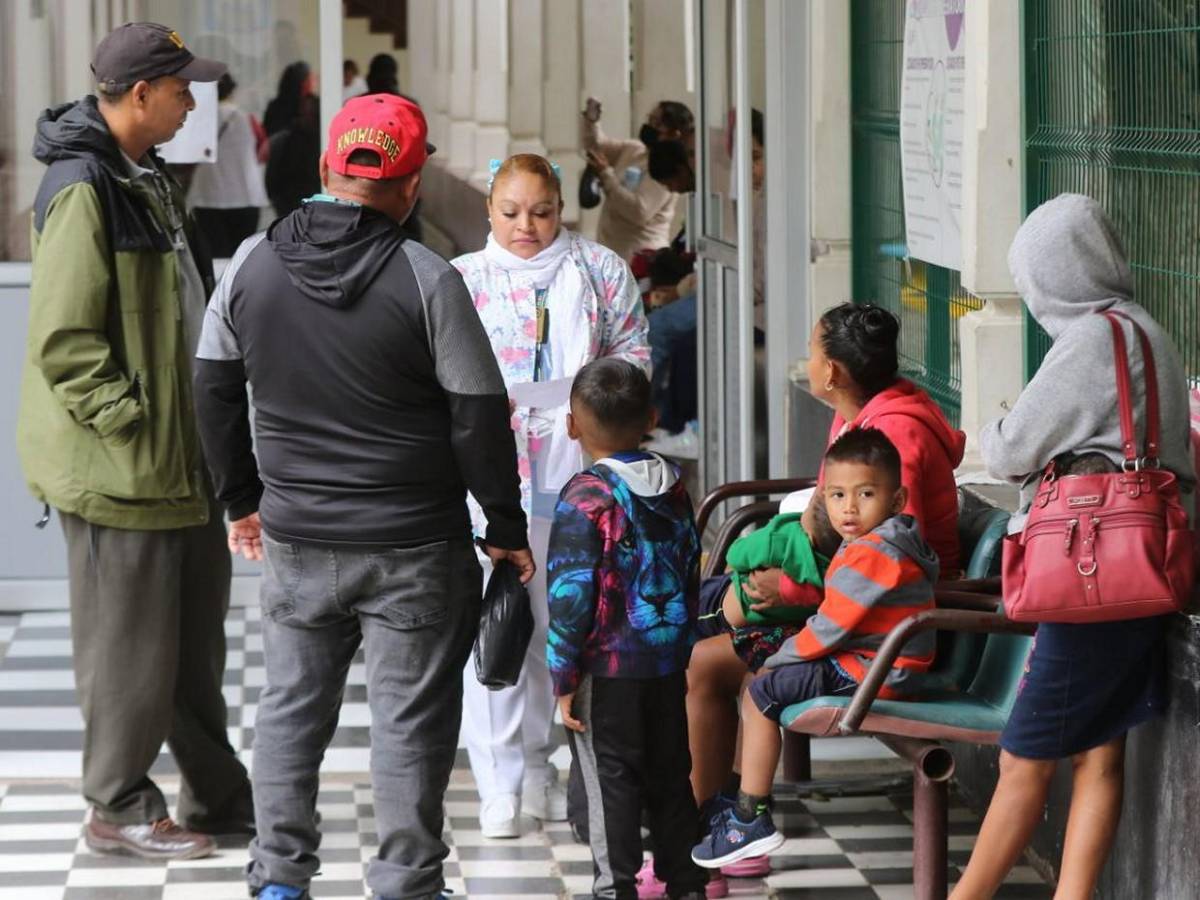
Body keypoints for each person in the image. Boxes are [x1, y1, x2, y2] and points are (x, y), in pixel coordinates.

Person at [193, 94, 534, 900]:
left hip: (297, 536)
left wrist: (240, 498)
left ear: (323, 170)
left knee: (288, 713)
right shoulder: (426, 278)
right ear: (411, 186)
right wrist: (505, 527)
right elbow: (477, 413)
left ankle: (278, 880)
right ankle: (407, 885)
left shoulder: (249, 265)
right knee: (409, 722)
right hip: (414, 544)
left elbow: (210, 388)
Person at [16, 22, 249, 860]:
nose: (193, 98)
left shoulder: (141, 173)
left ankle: (218, 796)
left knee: (193, 643)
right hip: (126, 465)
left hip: (177, 458)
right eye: (182, 86)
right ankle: (117, 804)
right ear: (141, 92)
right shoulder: (83, 184)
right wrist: (135, 422)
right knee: (128, 652)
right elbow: (65, 342)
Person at [950, 194, 1195, 899]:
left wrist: (996, 428)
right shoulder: (1149, 331)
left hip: (1092, 578)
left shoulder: (1091, 341)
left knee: (1023, 759)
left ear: (1052, 276)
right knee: (1099, 754)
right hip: (1142, 571)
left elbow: (1012, 449)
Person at [682, 302, 965, 880]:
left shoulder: (893, 434)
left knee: (712, 654)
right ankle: (718, 817)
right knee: (707, 640)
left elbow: (871, 565)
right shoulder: (861, 419)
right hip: (856, 610)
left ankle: (727, 823)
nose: (807, 362)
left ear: (832, 371)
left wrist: (781, 589)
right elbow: (831, 538)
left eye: (812, 351)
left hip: (885, 632)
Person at [452, 153, 651, 838]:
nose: (526, 226)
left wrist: (585, 406)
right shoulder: (462, 281)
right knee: (499, 625)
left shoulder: (598, 272)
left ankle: (546, 770)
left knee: (564, 623)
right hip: (490, 477)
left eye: (541, 211)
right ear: (488, 210)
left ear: (561, 206)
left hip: (580, 471)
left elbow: (634, 359)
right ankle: (500, 780)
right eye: (510, 213)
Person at [692, 427, 939, 868]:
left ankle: (751, 815)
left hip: (873, 669)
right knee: (761, 677)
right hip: (878, 659)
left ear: (897, 500)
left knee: (761, 690)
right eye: (837, 495)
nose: (849, 507)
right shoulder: (880, 541)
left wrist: (778, 660)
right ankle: (739, 804)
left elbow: (828, 629)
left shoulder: (874, 551)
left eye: (865, 494)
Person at [547, 358, 708, 900]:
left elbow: (570, 598)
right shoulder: (676, 487)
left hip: (605, 672)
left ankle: (614, 888)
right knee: (670, 772)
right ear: (653, 417)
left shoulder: (585, 497)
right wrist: (681, 647)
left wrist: (562, 676)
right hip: (665, 664)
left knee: (608, 783)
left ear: (572, 425)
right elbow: (690, 571)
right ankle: (685, 881)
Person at [645, 109, 763, 461]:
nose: (695, 162)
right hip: (727, 292)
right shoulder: (729, 197)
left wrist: (691, 290)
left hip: (746, 304)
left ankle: (669, 422)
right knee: (667, 330)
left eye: (755, 157)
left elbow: (753, 278)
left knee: (671, 333)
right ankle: (664, 422)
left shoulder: (756, 200)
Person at [581, 97, 694, 262]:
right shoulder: (635, 151)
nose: (649, 127)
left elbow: (638, 212)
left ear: (674, 133)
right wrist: (591, 122)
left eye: (657, 123)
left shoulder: (666, 168)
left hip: (639, 259)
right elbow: (597, 148)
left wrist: (606, 174)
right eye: (649, 120)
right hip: (613, 254)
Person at [189, 72, 268, 257]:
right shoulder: (248, 118)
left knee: (215, 258)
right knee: (242, 258)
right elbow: (262, 152)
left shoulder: (198, 119)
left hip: (207, 197)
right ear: (232, 91)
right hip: (245, 196)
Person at [262, 60, 312, 136]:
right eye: (310, 79)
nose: (313, 83)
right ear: (303, 83)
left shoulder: (274, 106)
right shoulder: (306, 109)